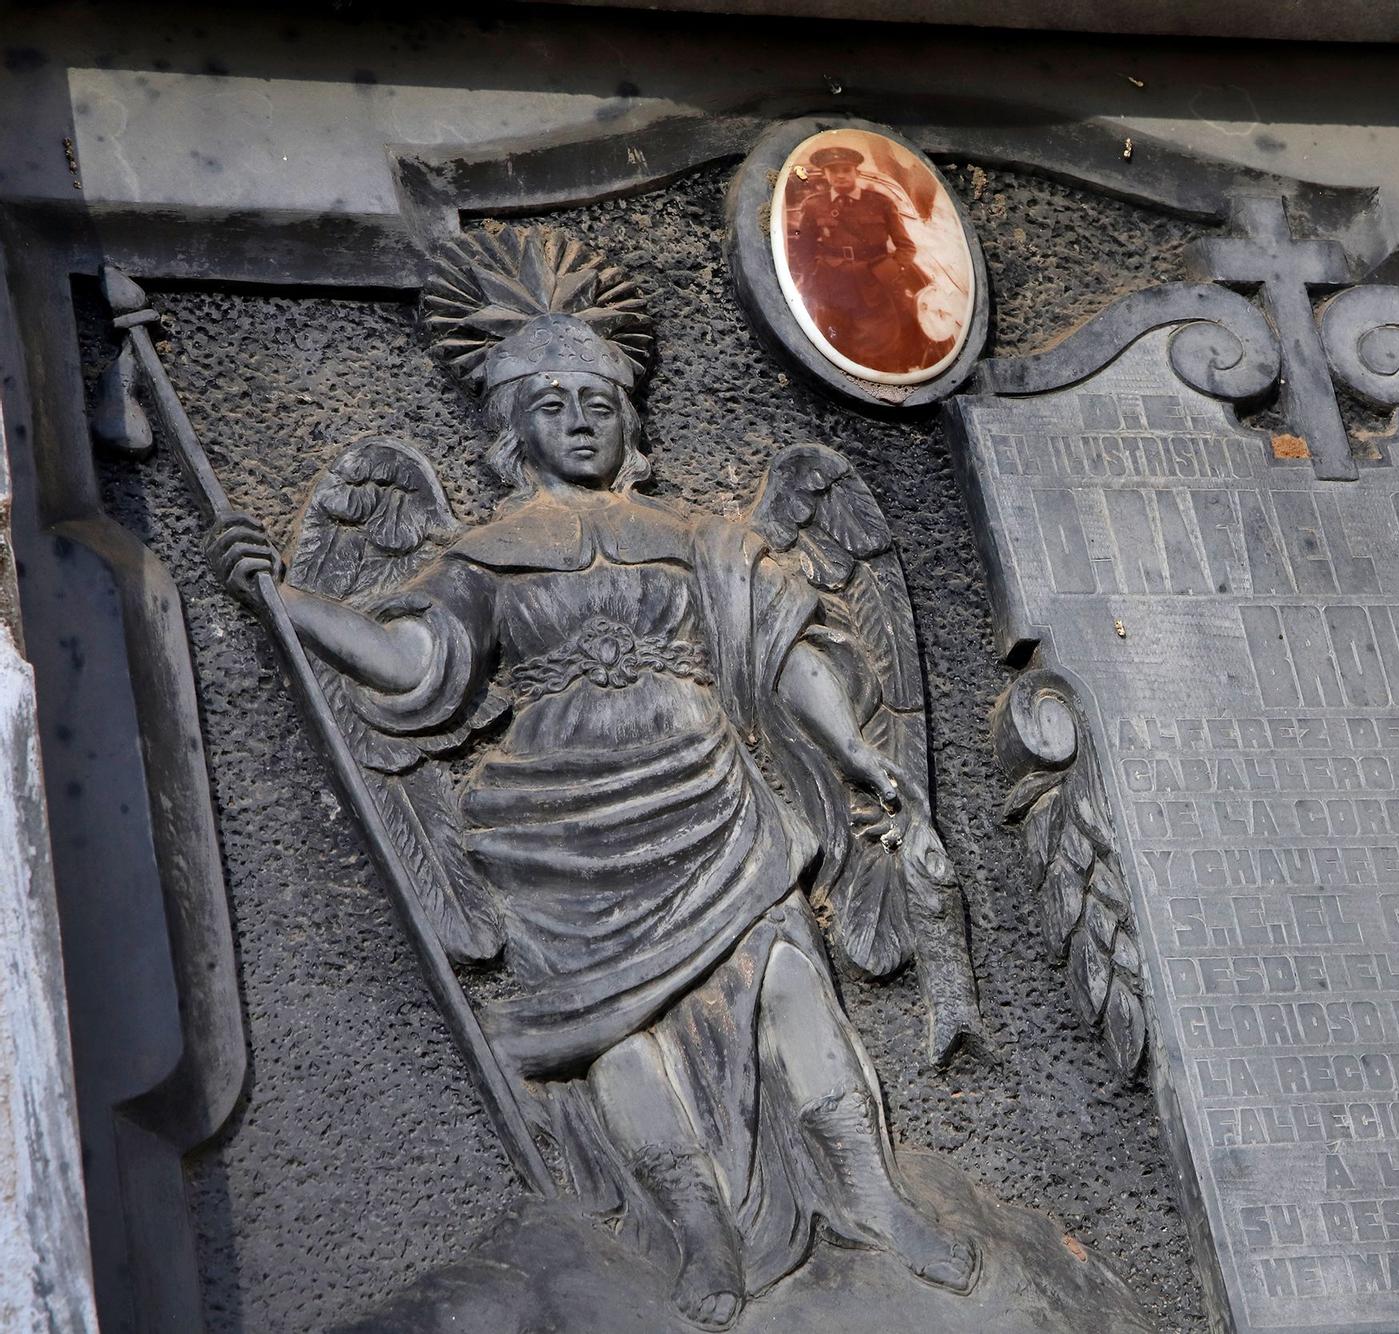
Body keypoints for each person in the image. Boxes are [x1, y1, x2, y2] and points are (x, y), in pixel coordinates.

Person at [205, 296, 976, 1331]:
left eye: (598, 401)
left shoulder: (699, 538)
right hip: (561, 833)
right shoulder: (481, 557)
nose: (578, 418)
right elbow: (420, 664)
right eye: (552, 402)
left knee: (794, 984)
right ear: (512, 427)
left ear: (630, 423)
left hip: (709, 793)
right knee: (616, 1034)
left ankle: (873, 1199)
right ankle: (697, 1224)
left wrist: (851, 747)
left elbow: (781, 650)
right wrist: (290, 604)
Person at [788, 144, 950, 375]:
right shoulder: (814, 205)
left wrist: (891, 270)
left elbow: (906, 247)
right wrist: (813, 272)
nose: (840, 175)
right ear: (825, 175)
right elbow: (803, 248)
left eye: (846, 169)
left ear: (857, 172)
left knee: (881, 347)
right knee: (832, 344)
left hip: (874, 285)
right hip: (830, 286)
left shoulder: (881, 203)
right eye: (833, 170)